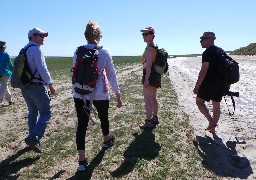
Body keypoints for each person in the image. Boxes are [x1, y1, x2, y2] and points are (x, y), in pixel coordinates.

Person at [72, 21, 122, 172]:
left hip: (80, 93)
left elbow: (75, 73)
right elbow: (111, 75)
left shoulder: (77, 52)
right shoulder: (104, 52)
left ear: (86, 36)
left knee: (82, 125)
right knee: (103, 117)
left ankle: (82, 161)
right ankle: (106, 140)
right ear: (98, 35)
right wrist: (118, 95)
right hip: (100, 92)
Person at [22, 28, 55, 153]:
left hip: (25, 87)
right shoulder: (36, 49)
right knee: (46, 112)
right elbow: (42, 69)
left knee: (33, 112)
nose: (43, 38)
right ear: (33, 37)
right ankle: (33, 137)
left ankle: (32, 139)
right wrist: (50, 84)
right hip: (36, 86)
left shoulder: (23, 49)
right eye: (40, 36)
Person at [193, 32, 227, 134]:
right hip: (221, 83)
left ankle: (211, 122)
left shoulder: (207, 53)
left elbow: (204, 70)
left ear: (208, 39)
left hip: (210, 83)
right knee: (216, 105)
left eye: (202, 40)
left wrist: (197, 85)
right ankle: (212, 129)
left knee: (199, 102)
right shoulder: (221, 51)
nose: (200, 42)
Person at [139, 27, 161, 130]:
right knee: (153, 97)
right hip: (156, 76)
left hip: (150, 76)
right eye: (143, 34)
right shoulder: (155, 47)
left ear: (152, 35)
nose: (144, 36)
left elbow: (148, 66)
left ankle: (148, 122)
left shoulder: (149, 49)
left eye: (146, 34)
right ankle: (155, 117)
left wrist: (146, 79)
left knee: (147, 100)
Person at [0, 41, 14, 106]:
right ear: (4, 47)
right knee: (3, 87)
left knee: (5, 87)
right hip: (4, 73)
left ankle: (10, 100)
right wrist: (14, 70)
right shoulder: (5, 54)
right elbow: (10, 64)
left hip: (2, 73)